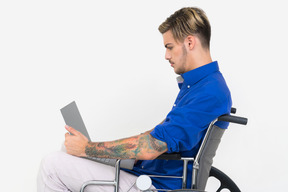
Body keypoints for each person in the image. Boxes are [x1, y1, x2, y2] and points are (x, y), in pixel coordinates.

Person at [37, 7, 232, 191]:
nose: (166, 55)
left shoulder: (209, 92)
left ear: (190, 43)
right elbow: (158, 135)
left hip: (158, 185)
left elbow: (151, 147)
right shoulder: (199, 86)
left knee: (52, 165)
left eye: (170, 47)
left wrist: (87, 148)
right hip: (148, 172)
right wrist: (97, 151)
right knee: (68, 149)